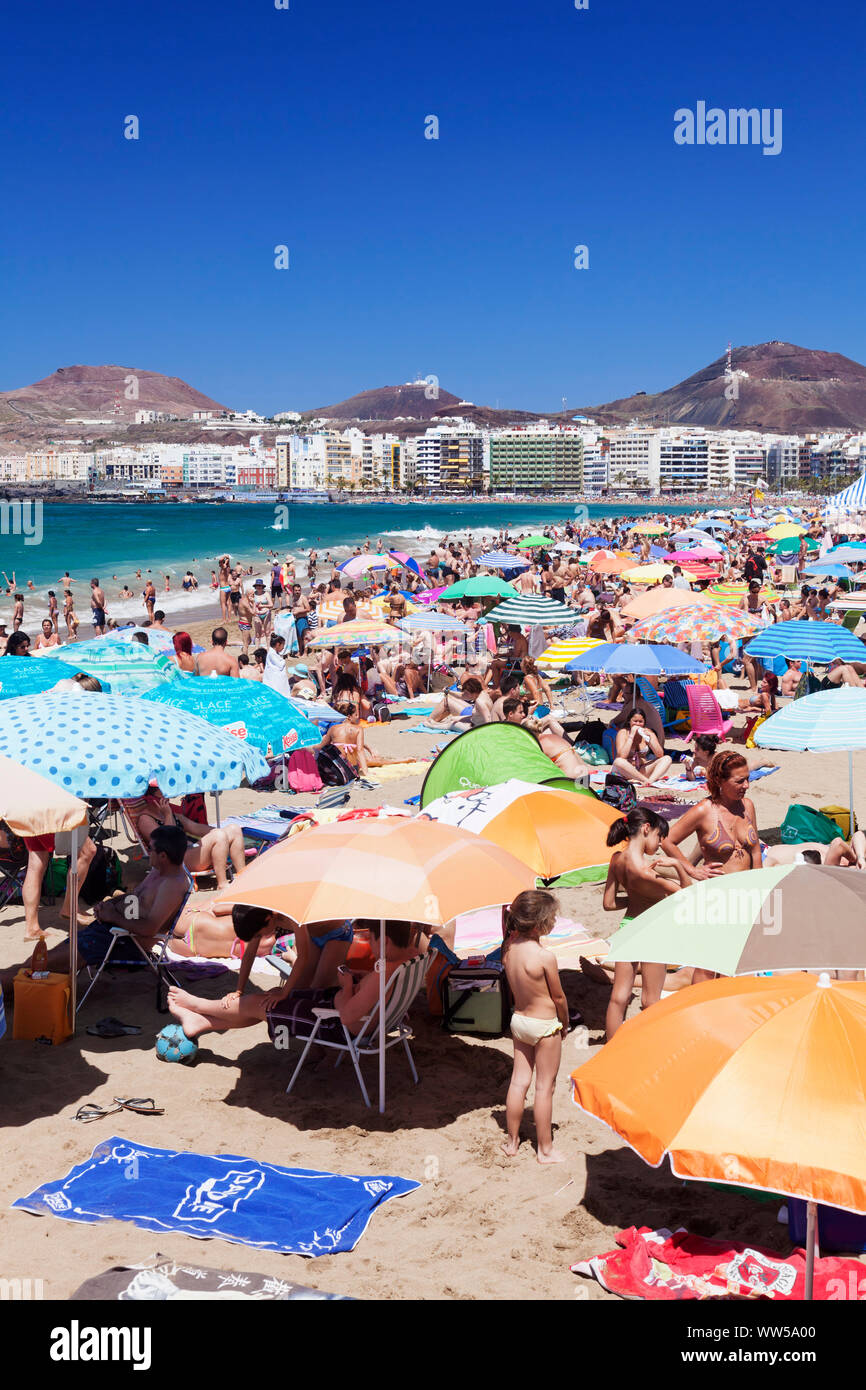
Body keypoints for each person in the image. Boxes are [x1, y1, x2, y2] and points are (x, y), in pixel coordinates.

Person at [165, 918, 418, 1045]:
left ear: (384, 941)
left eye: (372, 939)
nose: (370, 945)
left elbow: (348, 1016)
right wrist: (359, 981)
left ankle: (198, 1006)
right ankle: (202, 1021)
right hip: (358, 1021)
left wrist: (347, 986)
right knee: (275, 997)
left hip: (335, 1026)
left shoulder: (383, 973)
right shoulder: (409, 962)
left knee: (264, 1004)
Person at [27, 824, 189, 973]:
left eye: (150, 848)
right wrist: (108, 905)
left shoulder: (172, 885)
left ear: (163, 856)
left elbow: (149, 928)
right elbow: (134, 896)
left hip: (124, 942)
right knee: (41, 958)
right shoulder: (158, 871)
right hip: (112, 932)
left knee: (39, 964)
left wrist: (112, 916)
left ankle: (4, 988)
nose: (147, 850)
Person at [601, 807, 693, 1039]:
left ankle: (611, 1049)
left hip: (628, 927)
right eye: (659, 837)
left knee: (619, 996)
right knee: (651, 999)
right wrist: (678, 866)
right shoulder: (646, 872)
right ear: (645, 829)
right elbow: (687, 893)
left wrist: (633, 898)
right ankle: (647, 1047)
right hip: (652, 931)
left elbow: (609, 904)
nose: (660, 843)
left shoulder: (616, 860)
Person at [500, 890, 569, 1165]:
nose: (554, 922)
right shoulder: (544, 957)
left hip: (520, 1021)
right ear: (540, 924)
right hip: (544, 1025)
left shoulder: (509, 949)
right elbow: (559, 997)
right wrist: (564, 1022)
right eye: (552, 918)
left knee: (519, 1082)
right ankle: (545, 1149)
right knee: (544, 1087)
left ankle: (512, 1141)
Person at [662, 750, 760, 885]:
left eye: (747, 779)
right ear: (720, 781)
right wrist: (693, 871)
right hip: (718, 888)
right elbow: (667, 841)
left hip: (748, 886)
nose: (746, 785)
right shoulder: (704, 810)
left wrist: (760, 882)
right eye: (739, 781)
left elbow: (755, 851)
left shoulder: (747, 806)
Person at [123, 789, 246, 891]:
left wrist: (223, 832)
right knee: (219, 835)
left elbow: (196, 828)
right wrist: (167, 815)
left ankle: (243, 876)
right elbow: (167, 842)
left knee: (234, 829)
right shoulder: (145, 819)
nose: (168, 799)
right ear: (151, 798)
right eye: (163, 796)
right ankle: (222, 883)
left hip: (190, 851)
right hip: (176, 860)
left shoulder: (173, 814)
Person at [611, 709, 672, 786]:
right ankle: (646, 780)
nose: (637, 724)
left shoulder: (648, 732)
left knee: (667, 759)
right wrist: (632, 735)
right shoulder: (623, 733)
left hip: (641, 770)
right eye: (635, 721)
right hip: (625, 771)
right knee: (618, 761)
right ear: (629, 721)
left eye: (640, 722)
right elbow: (622, 756)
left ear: (644, 723)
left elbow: (660, 754)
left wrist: (650, 739)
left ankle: (650, 781)